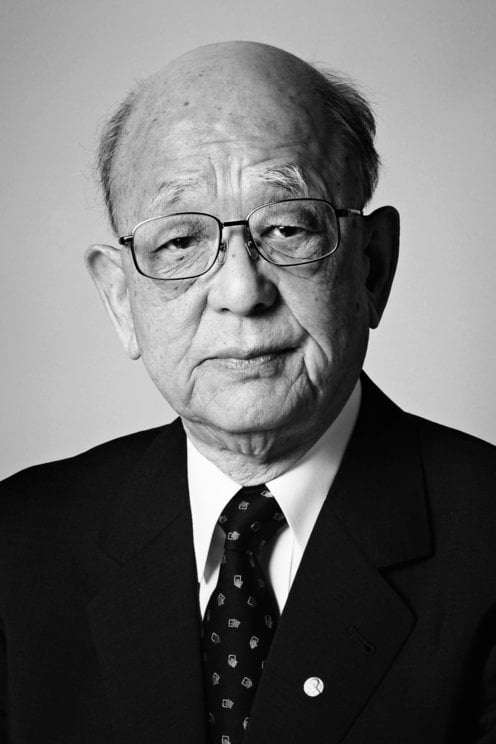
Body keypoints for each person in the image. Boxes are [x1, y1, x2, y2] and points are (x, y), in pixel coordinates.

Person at [0, 40, 495, 744]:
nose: (240, 290)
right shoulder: (17, 545)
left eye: (289, 227)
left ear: (372, 266)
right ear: (120, 299)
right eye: (180, 243)